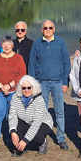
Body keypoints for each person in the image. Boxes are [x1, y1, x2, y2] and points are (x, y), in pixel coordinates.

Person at [28, 20, 71, 150]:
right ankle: (42, 139)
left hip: (58, 82)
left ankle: (61, 138)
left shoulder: (60, 42)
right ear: (42, 30)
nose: (48, 29)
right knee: (41, 111)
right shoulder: (36, 43)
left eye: (50, 27)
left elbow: (66, 63)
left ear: (54, 29)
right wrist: (33, 84)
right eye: (45, 28)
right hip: (42, 83)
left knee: (59, 111)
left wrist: (65, 82)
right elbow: (32, 64)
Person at [0, 36, 26, 152]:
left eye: (9, 44)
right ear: (1, 46)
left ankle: (11, 139)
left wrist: (10, 85)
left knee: (12, 117)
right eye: (4, 44)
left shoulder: (18, 58)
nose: (6, 46)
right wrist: (1, 86)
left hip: (13, 92)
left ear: (12, 46)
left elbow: (22, 73)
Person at [8, 75, 54, 157]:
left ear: (33, 88)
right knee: (16, 126)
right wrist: (13, 132)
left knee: (36, 135)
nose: (26, 90)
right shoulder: (15, 97)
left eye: (29, 88)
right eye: (23, 88)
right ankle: (21, 149)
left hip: (43, 122)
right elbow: (12, 115)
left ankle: (43, 142)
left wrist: (25, 140)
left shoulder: (39, 100)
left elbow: (36, 123)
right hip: (25, 120)